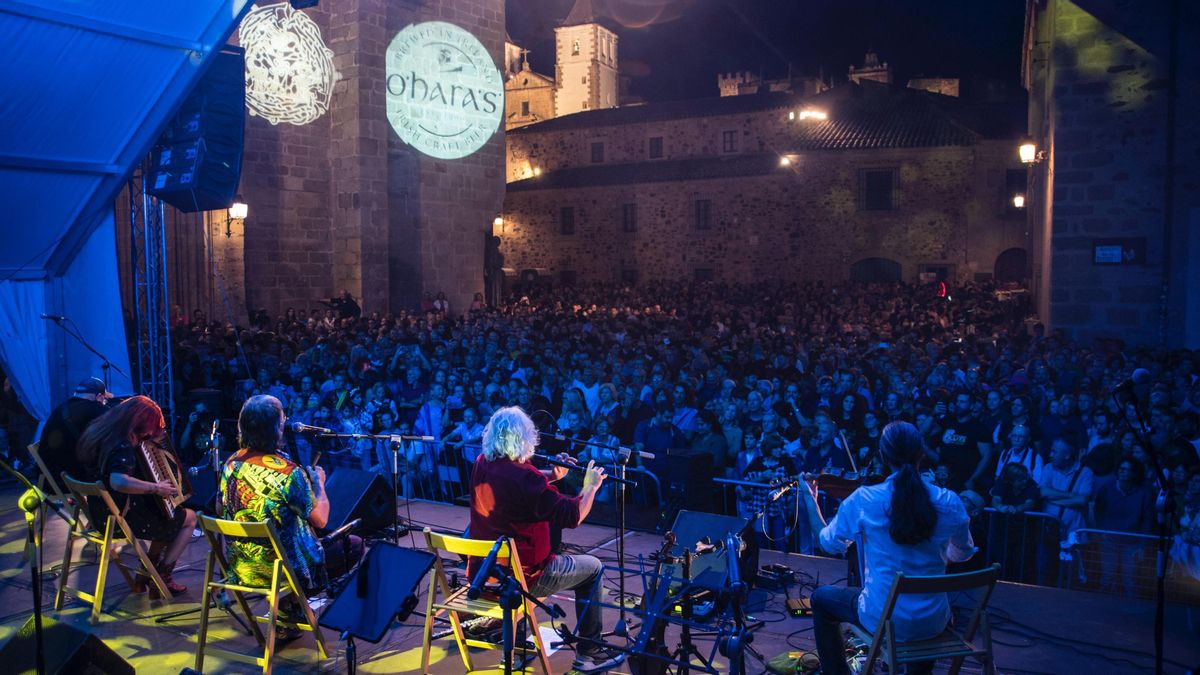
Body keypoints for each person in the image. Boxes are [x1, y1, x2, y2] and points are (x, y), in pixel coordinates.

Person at [802, 422, 975, 675]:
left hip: (881, 619)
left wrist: (809, 498)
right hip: (933, 620)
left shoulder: (865, 500)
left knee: (820, 599)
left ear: (883, 456)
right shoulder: (949, 501)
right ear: (921, 455)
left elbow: (828, 543)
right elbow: (963, 552)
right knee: (918, 619)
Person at [468, 406, 612, 672]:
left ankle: (522, 647)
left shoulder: (482, 463)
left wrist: (552, 476)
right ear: (524, 438)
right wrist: (590, 486)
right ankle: (589, 653)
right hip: (527, 577)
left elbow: (517, 487)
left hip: (484, 575)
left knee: (511, 558)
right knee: (594, 568)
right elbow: (573, 515)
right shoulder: (525, 476)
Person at [219, 395, 363, 635]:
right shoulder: (289, 473)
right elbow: (321, 519)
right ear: (276, 428)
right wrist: (319, 486)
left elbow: (218, 508)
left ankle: (289, 608)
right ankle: (293, 603)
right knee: (355, 545)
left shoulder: (232, 463)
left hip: (241, 567)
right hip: (281, 572)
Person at [75, 396, 197, 598]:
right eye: (149, 428)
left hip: (98, 514)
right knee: (188, 518)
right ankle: (162, 575)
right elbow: (118, 481)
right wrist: (155, 487)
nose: (150, 434)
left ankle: (146, 575)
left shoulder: (100, 431)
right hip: (118, 519)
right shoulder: (122, 444)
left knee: (165, 514)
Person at [37, 376, 111, 487]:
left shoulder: (61, 407)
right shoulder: (96, 408)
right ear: (99, 396)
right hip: (69, 479)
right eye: (104, 399)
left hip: (49, 476)